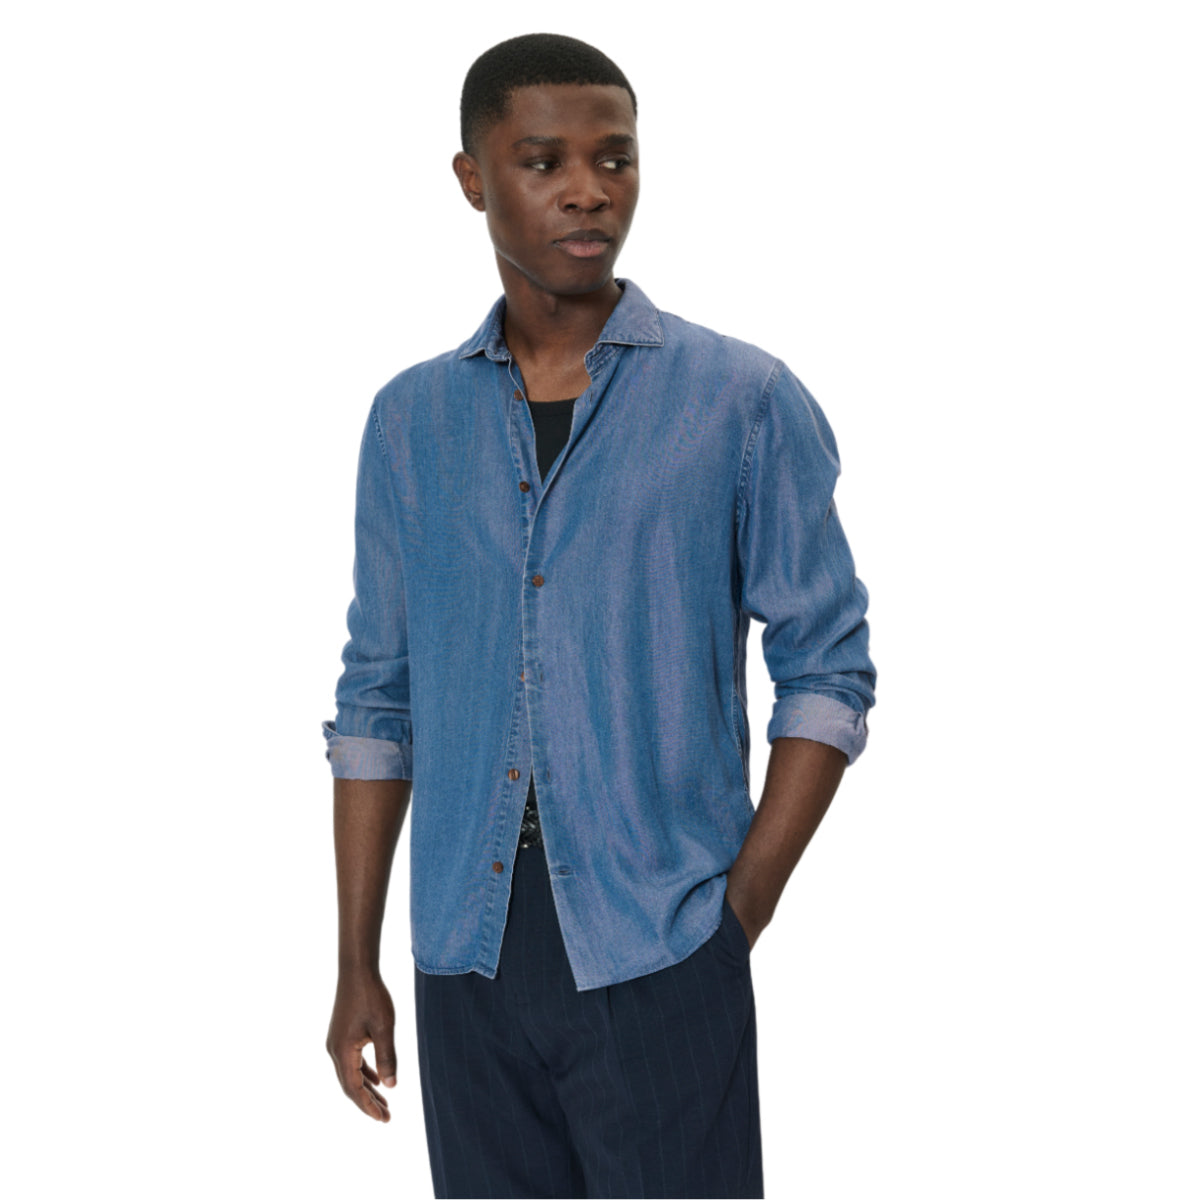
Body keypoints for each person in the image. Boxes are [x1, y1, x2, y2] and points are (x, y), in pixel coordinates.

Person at [323, 32, 876, 1200]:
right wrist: (356, 961)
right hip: (464, 954)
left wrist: (737, 916)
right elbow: (377, 699)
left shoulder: (741, 403)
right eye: (544, 162)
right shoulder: (410, 423)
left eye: (614, 158)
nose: (588, 189)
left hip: (660, 945)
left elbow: (827, 672)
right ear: (473, 178)